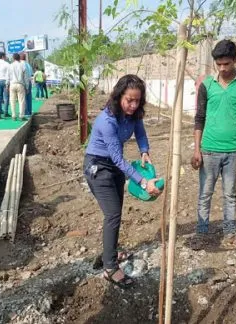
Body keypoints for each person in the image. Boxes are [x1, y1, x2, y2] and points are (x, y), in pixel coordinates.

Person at [84, 74, 162, 288]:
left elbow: (141, 133)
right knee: (113, 214)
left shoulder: (133, 115)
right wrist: (144, 183)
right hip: (98, 167)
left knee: (116, 212)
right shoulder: (107, 120)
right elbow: (118, 158)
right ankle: (110, 268)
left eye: (137, 100)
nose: (133, 105)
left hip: (114, 166)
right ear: (119, 97)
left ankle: (110, 253)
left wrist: (144, 151)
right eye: (129, 100)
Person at [190, 39, 236, 250]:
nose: (223, 68)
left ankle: (230, 233)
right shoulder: (207, 85)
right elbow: (199, 118)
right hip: (208, 151)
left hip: (234, 152)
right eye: (219, 64)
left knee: (230, 195)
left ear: (235, 60)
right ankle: (201, 232)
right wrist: (197, 149)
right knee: (205, 194)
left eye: (227, 63)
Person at [7, 53, 28, 121]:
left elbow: (8, 76)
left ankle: (13, 116)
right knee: (21, 101)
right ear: (19, 58)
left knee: (12, 100)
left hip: (12, 84)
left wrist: (7, 85)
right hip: (20, 84)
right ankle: (21, 116)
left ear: (13, 58)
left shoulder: (10, 66)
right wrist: (27, 86)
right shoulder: (22, 65)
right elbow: (26, 77)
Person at [0, 51, 10, 117]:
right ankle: (6, 112)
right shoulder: (7, 64)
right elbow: (9, 73)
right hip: (5, 81)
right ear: (3, 56)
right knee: (6, 97)